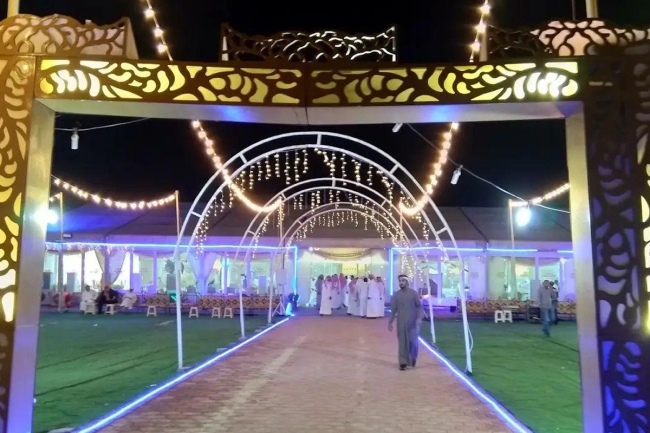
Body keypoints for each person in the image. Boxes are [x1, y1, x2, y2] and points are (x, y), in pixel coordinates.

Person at [388, 275, 423, 370]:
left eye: (403, 280)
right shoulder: (396, 295)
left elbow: (419, 307)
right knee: (402, 343)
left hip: (413, 322)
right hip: (401, 322)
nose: (401, 282)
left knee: (413, 342)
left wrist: (419, 318)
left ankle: (413, 358)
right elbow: (393, 310)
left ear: (407, 282)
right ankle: (403, 362)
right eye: (400, 281)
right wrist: (390, 322)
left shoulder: (414, 294)